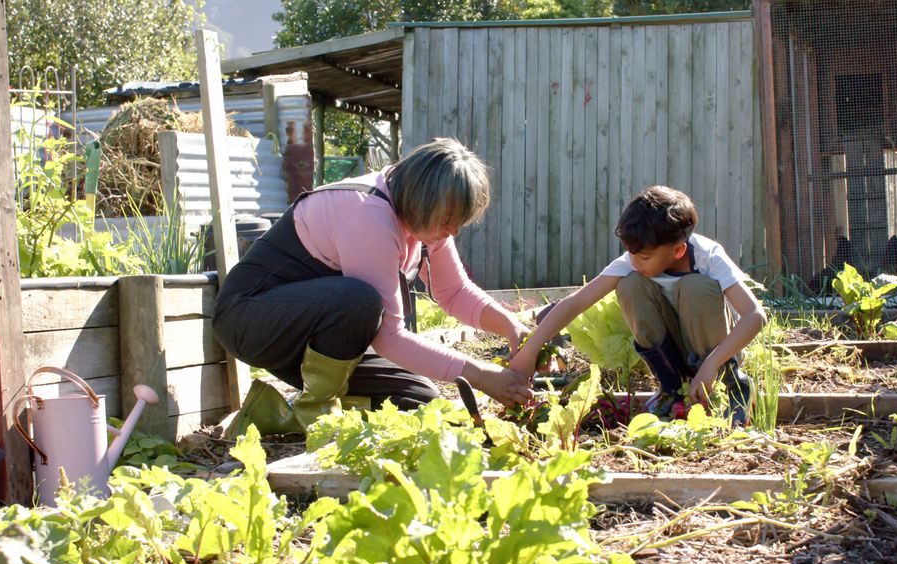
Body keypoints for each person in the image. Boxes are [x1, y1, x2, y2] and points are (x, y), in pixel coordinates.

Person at [213, 138, 532, 435]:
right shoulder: (369, 214)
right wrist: (480, 374)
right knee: (359, 300)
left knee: (419, 399)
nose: (453, 232)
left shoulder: (424, 220)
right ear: (422, 199)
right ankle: (317, 416)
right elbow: (389, 338)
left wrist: (512, 327)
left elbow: (454, 292)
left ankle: (270, 412)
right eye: (448, 220)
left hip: (316, 336)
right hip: (251, 320)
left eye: (459, 222)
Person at [510, 185, 766, 424]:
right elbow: (576, 302)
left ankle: (733, 387)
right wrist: (530, 350)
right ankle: (672, 389)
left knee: (695, 287)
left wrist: (711, 364)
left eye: (643, 256)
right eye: (630, 253)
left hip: (713, 354)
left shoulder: (708, 257)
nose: (634, 261)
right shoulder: (635, 260)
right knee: (629, 284)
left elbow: (755, 315)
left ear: (677, 251)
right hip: (674, 351)